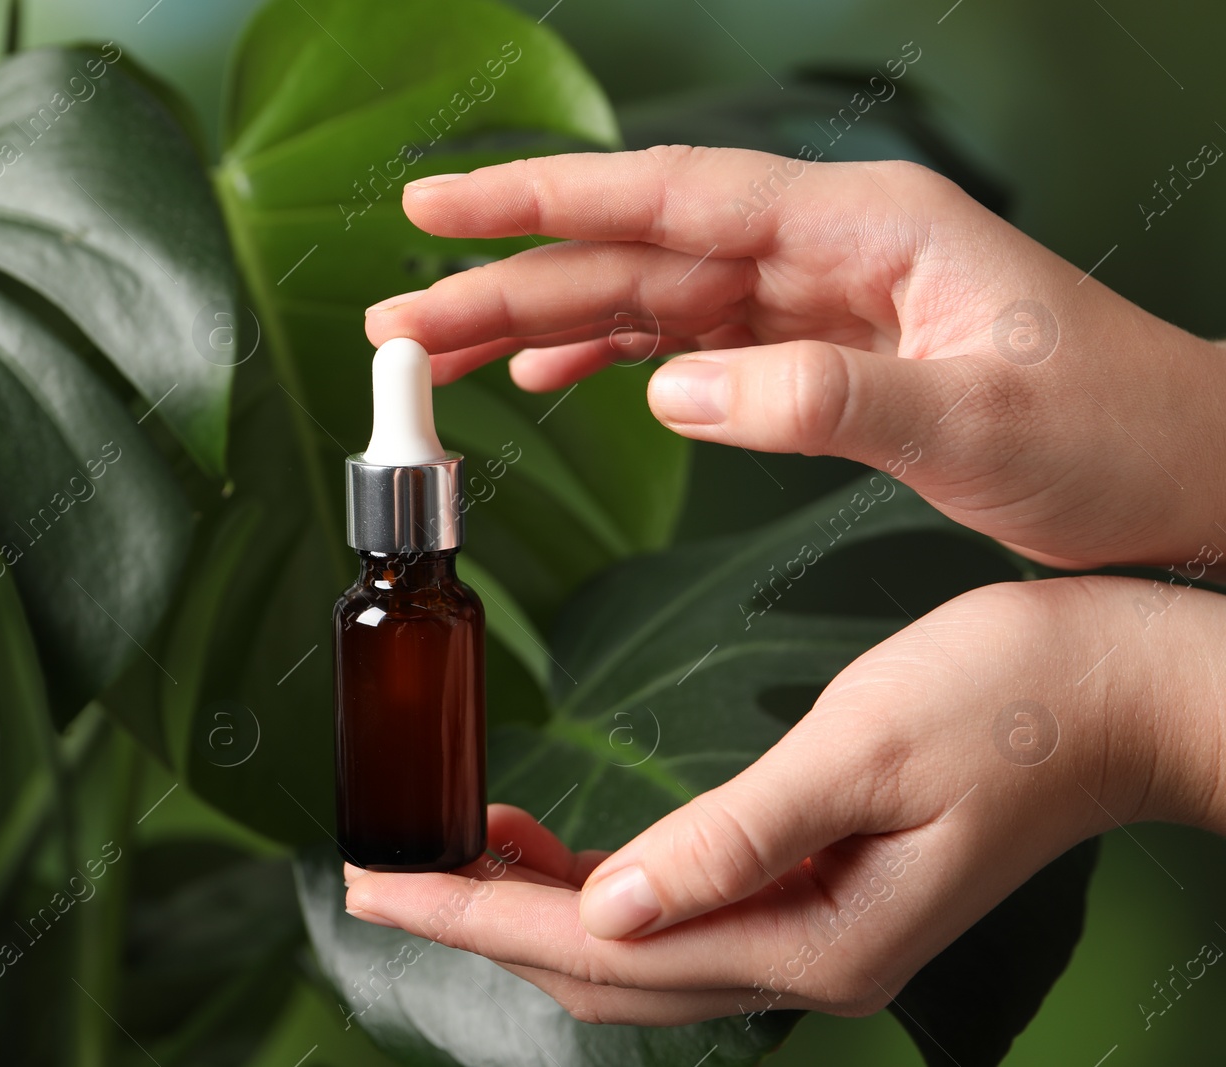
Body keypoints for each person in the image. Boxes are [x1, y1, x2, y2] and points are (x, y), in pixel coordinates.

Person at [344, 145, 1226, 1026]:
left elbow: (1133, 701)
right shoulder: (385, 613)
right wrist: (1195, 432)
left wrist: (1133, 705)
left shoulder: (430, 610)